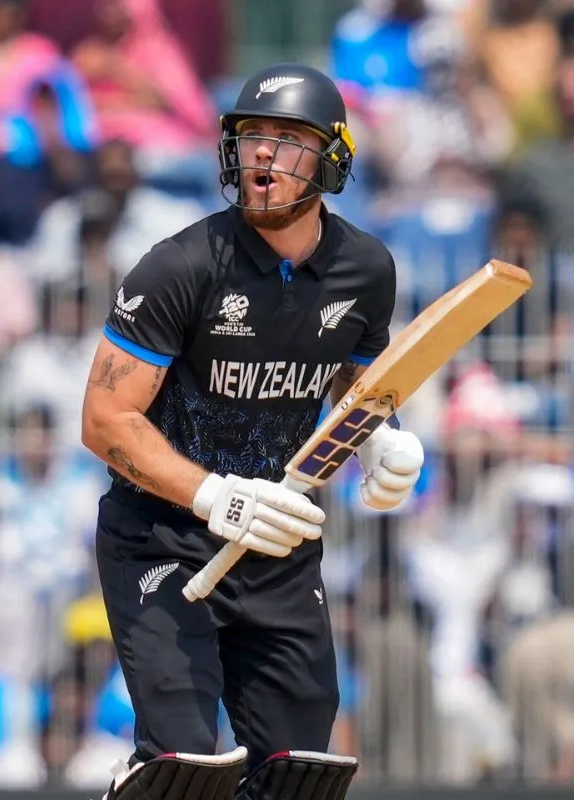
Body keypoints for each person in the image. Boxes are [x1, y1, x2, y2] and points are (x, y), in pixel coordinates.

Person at [79, 64, 426, 800]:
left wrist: (383, 438)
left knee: (300, 775)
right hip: (162, 540)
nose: (262, 154)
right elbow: (104, 421)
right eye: (250, 137)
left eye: (286, 140)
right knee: (186, 771)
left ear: (332, 158)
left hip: (281, 547)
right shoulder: (179, 266)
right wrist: (212, 496)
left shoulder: (367, 270)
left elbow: (356, 385)